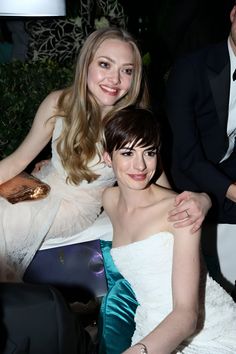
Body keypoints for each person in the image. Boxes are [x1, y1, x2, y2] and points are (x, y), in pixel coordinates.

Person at [0, 26, 209, 282]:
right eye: (105, 64)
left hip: (72, 208)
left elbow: (158, 183)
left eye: (127, 70)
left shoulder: (129, 124)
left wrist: (200, 200)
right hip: (43, 184)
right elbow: (18, 160)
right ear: (86, 64)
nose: (115, 79)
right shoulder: (59, 102)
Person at [99, 107, 236, 354]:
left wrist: (140, 351)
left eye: (149, 152)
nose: (140, 165)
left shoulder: (179, 212)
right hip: (151, 324)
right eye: (128, 153)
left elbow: (186, 315)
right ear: (108, 157)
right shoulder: (109, 199)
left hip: (204, 333)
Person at [165, 1, 236, 294]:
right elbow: (187, 155)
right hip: (187, 183)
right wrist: (233, 190)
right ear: (233, 14)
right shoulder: (190, 69)